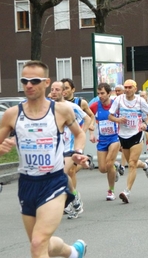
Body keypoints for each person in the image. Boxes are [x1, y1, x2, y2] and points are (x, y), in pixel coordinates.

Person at [0, 61, 88, 257]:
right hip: (27, 184)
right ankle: (73, 252)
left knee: (38, 243)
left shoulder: (61, 111)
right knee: (40, 244)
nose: (29, 85)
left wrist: (78, 150)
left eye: (34, 80)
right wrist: (2, 149)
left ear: (46, 82)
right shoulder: (12, 114)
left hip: (54, 182)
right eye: (25, 80)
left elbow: (80, 134)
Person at [49, 81, 91, 219]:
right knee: (58, 175)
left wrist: (82, 132)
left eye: (57, 89)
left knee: (62, 172)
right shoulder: (48, 108)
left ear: (63, 92)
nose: (54, 92)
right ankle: (74, 197)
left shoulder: (71, 107)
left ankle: (72, 201)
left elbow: (87, 118)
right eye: (52, 89)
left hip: (70, 148)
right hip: (55, 148)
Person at [108, 79, 148, 203]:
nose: (127, 90)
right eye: (125, 87)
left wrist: (145, 123)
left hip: (136, 134)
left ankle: (126, 191)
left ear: (135, 88)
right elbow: (110, 115)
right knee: (131, 162)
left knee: (132, 164)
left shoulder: (140, 101)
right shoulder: (119, 100)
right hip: (123, 135)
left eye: (129, 87)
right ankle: (145, 165)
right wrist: (117, 120)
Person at [61, 78, 96, 199]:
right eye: (62, 88)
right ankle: (86, 161)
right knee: (68, 170)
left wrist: (84, 130)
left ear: (73, 89)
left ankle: (72, 198)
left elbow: (90, 116)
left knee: (70, 171)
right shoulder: (57, 104)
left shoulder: (80, 102)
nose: (64, 90)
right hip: (63, 140)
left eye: (66, 88)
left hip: (76, 140)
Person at [89, 83, 121, 201]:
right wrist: (91, 133)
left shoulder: (115, 104)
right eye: (98, 94)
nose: (100, 96)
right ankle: (115, 166)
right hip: (102, 140)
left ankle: (111, 190)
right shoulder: (94, 106)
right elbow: (88, 118)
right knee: (102, 169)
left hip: (114, 138)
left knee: (108, 163)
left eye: (102, 93)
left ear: (109, 93)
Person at [114, 85, 127, 169]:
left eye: (119, 91)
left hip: (126, 127)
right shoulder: (114, 100)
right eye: (116, 91)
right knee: (120, 147)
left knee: (123, 147)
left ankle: (122, 165)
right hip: (116, 126)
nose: (117, 92)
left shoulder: (126, 100)